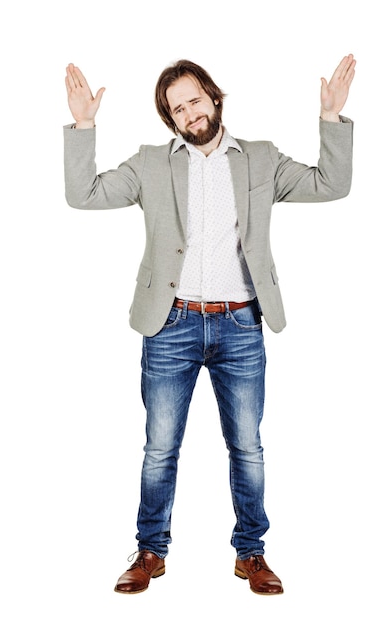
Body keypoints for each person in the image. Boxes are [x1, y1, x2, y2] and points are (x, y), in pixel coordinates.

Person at [64, 54, 356, 595]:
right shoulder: (152, 164)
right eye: (178, 109)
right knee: (160, 447)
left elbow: (331, 184)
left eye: (195, 99)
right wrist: (84, 126)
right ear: (171, 121)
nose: (190, 113)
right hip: (170, 324)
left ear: (214, 97)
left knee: (247, 447)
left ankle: (252, 553)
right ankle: (150, 550)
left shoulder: (261, 159)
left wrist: (332, 117)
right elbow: (84, 195)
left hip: (241, 325)